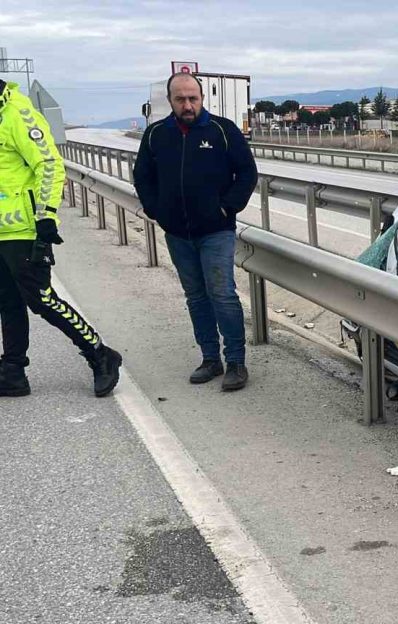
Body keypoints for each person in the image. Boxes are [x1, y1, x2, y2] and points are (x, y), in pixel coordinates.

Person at [133, 73, 257, 391]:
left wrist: (226, 207)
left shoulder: (222, 131)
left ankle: (236, 363)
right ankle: (210, 359)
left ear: (202, 98)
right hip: (177, 232)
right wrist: (156, 210)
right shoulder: (156, 135)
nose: (188, 105)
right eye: (180, 99)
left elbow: (247, 172)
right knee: (196, 297)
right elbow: (143, 176)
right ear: (170, 101)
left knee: (223, 295)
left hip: (216, 230)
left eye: (193, 98)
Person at [0, 79, 122, 398]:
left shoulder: (18, 114)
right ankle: (13, 371)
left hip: (25, 229)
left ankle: (99, 354)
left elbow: (51, 165)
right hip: (0, 231)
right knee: (7, 302)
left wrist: (46, 215)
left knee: (42, 300)